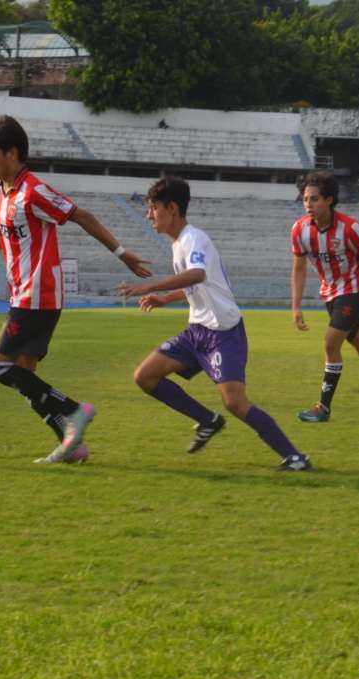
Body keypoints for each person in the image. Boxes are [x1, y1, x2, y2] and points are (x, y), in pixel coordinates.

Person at [0, 115, 152, 465]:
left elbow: (83, 216)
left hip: (38, 293)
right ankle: (72, 446)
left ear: (12, 152)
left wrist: (121, 253)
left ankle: (74, 411)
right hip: (22, 292)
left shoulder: (33, 191)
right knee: (25, 374)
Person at [116, 176, 311, 472]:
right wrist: (165, 299)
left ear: (171, 208)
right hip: (197, 332)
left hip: (223, 333)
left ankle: (295, 457)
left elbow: (197, 276)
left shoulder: (195, 238)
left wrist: (149, 288)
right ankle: (207, 420)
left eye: (153, 208)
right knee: (145, 376)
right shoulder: (179, 244)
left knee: (236, 403)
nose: (149, 215)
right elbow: (196, 285)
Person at [291, 171, 359, 423]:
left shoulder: (350, 229)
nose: (308, 204)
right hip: (331, 293)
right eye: (305, 199)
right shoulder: (299, 230)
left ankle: (323, 408)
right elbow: (298, 268)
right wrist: (296, 307)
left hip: (356, 289)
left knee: (331, 344)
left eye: (315, 199)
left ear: (329, 199)